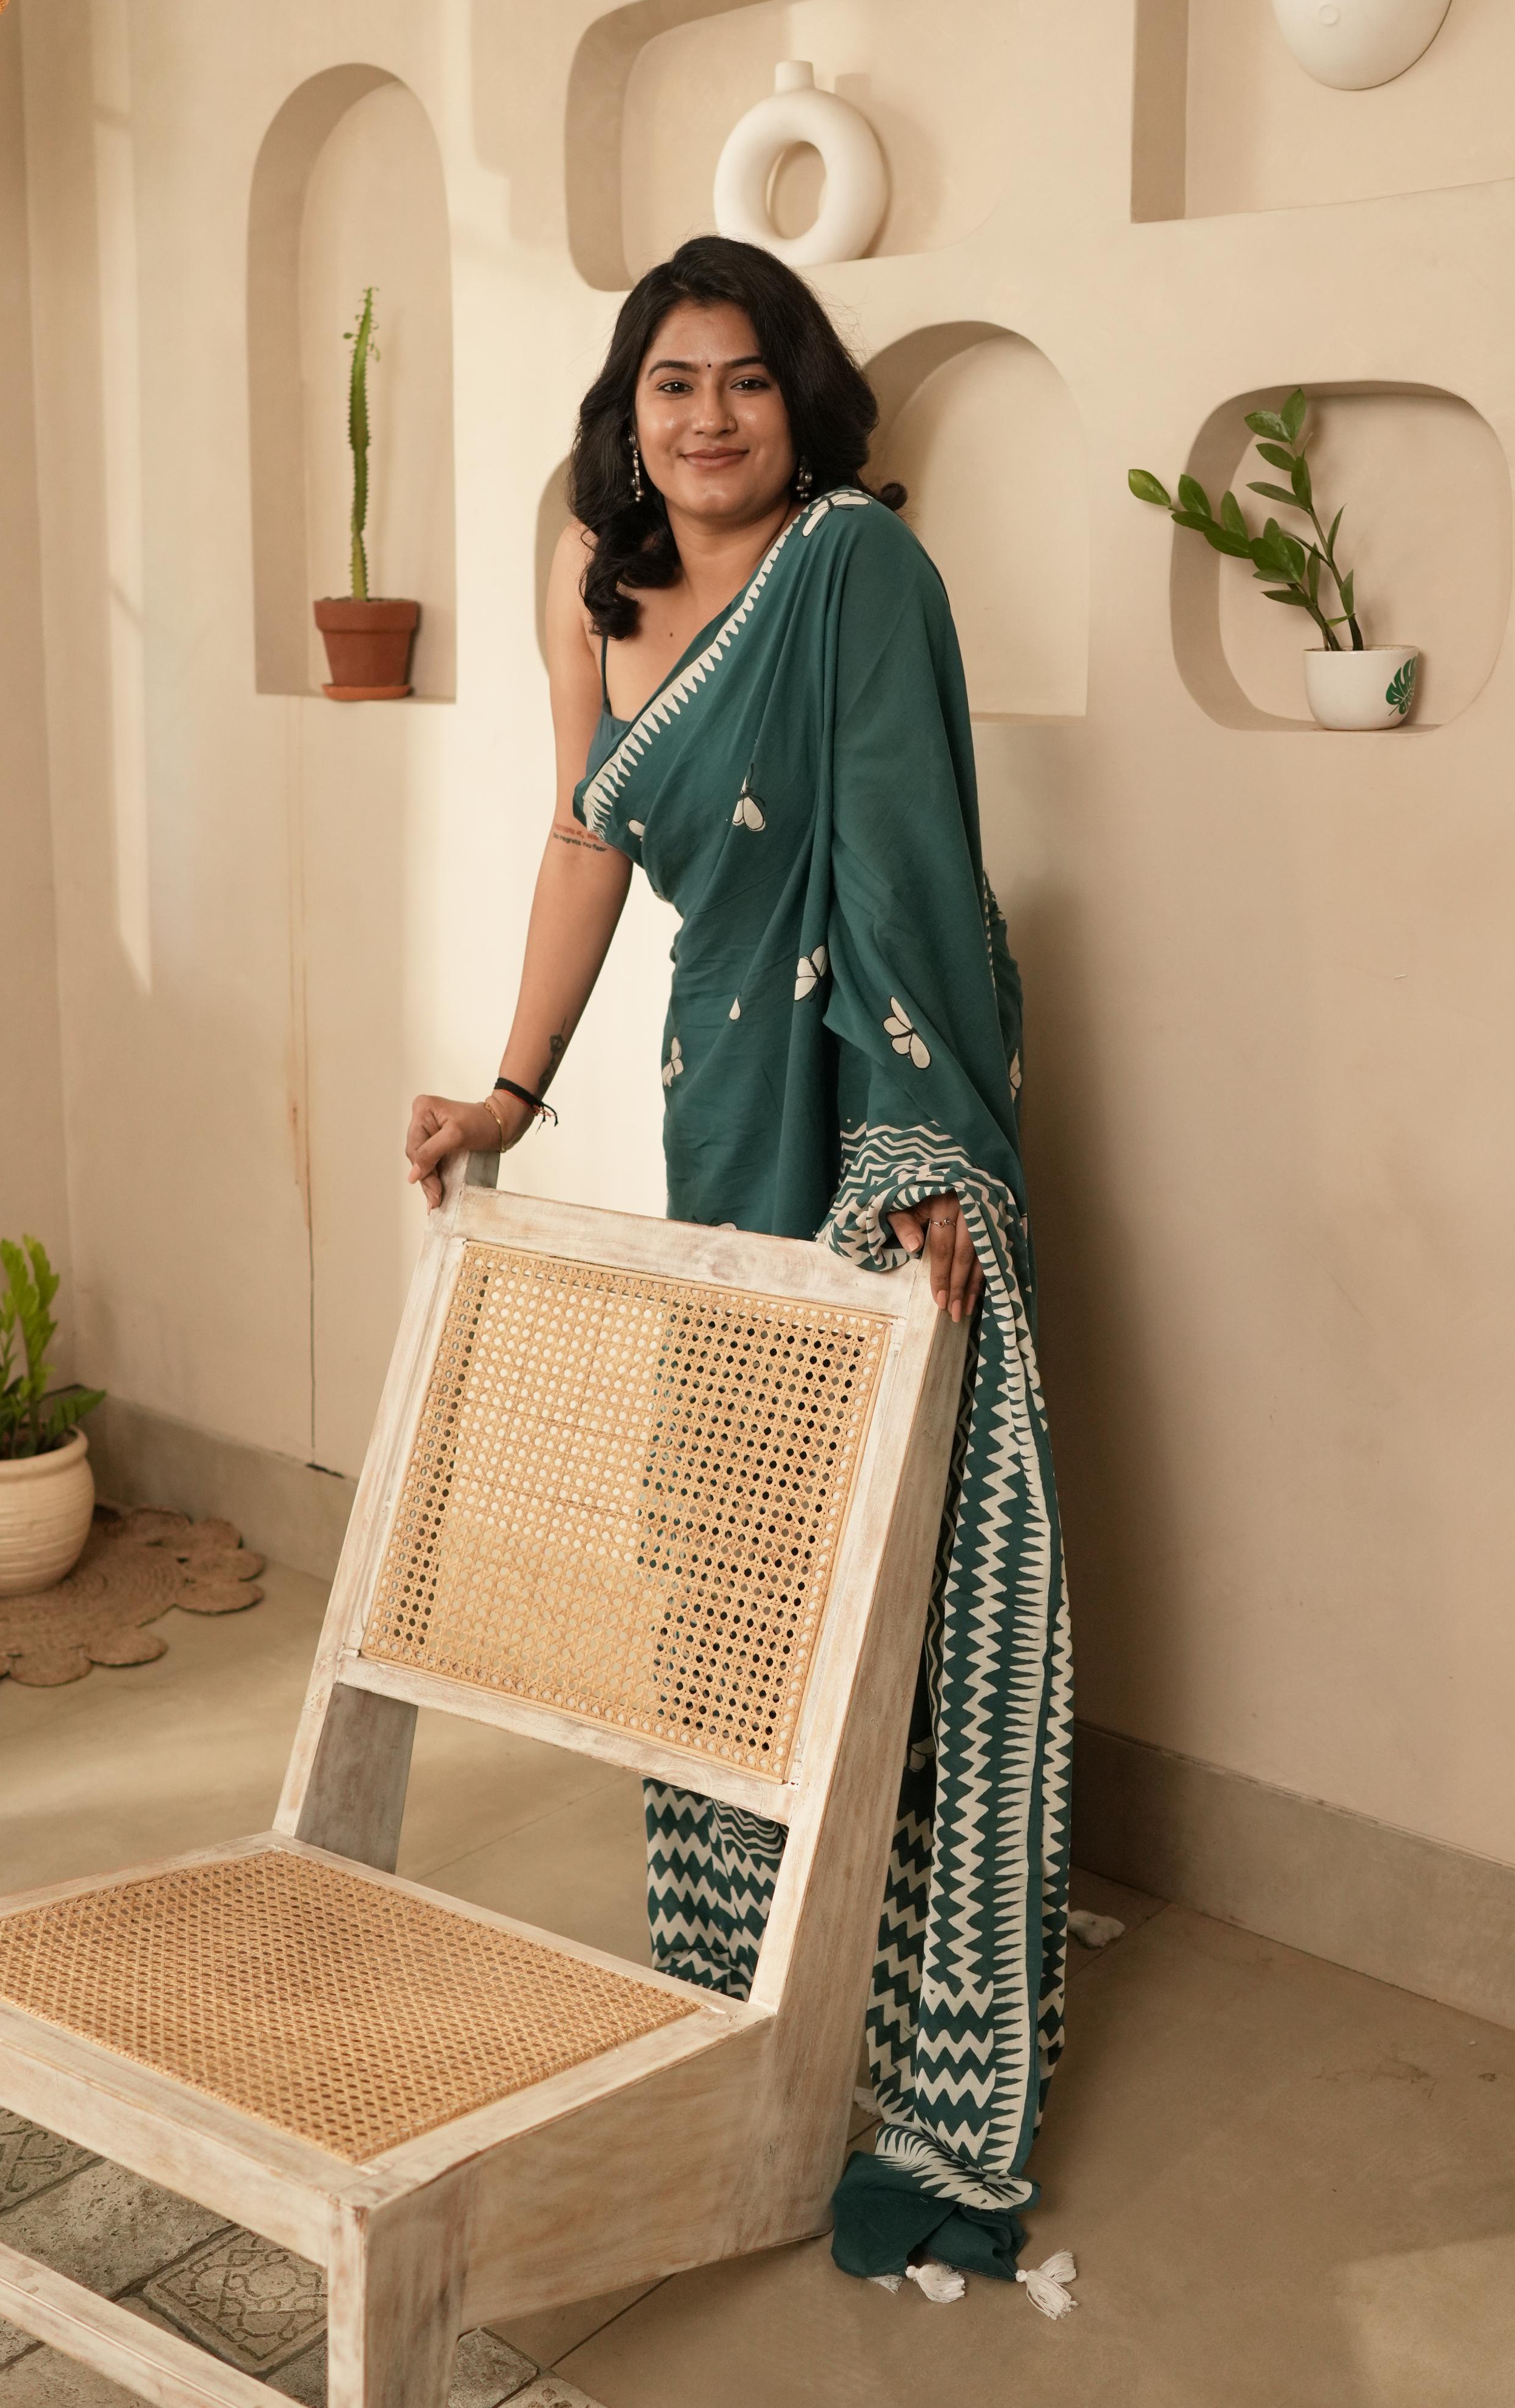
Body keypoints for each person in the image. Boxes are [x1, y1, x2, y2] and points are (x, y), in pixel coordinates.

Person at [403, 235, 1071, 2293]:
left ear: (805, 407)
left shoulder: (858, 568)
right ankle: (752, 1994)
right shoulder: (592, 590)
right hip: (720, 1115)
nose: (709, 417)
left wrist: (925, 1160)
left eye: (749, 381)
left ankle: (949, 2085)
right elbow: (587, 839)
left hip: (877, 1121)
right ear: (630, 412)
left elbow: (904, 858)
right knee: (741, 1579)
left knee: (923, 1580)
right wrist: (513, 1089)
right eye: (673, 383)